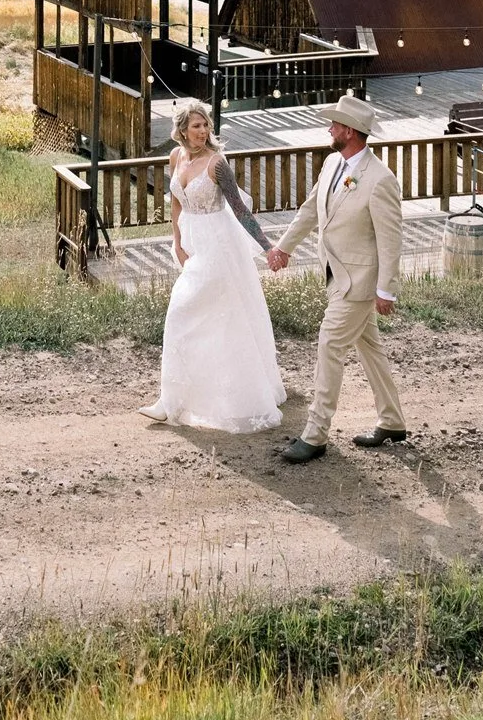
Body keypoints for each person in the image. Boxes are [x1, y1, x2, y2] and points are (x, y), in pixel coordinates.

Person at [266, 94, 406, 460]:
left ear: (350, 131)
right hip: (333, 275)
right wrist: (284, 247)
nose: (329, 128)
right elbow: (311, 209)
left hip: (359, 284)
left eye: (335, 124)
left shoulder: (380, 180)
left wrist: (386, 289)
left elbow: (391, 241)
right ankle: (392, 420)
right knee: (370, 348)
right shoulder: (331, 163)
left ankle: (315, 434)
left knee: (330, 344)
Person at [139, 102, 286, 433]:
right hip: (192, 244)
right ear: (181, 131)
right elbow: (175, 203)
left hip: (218, 246)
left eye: (205, 125)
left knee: (183, 313)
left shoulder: (218, 164)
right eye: (196, 126)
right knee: (207, 322)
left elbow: (240, 211)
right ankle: (177, 397)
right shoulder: (176, 158)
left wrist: (268, 248)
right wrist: (176, 243)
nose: (203, 132)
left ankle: (174, 401)